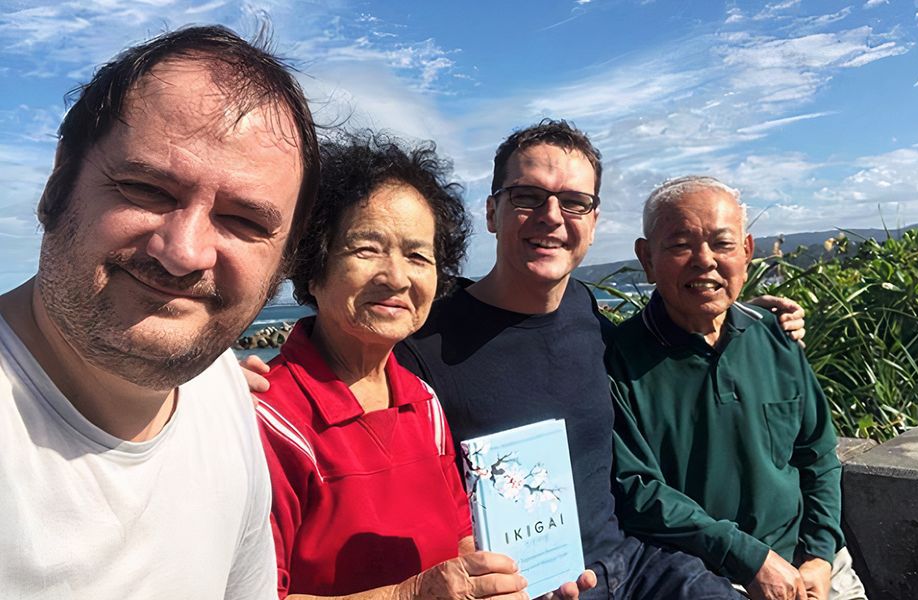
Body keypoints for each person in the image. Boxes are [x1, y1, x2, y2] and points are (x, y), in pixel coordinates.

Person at [394, 120, 806, 599]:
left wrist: (754, 318)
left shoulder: (585, 310)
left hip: (634, 566)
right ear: (492, 212)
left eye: (574, 202)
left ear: (592, 221)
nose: (552, 216)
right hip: (525, 588)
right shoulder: (422, 345)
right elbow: (406, 498)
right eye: (527, 196)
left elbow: (675, 348)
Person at [0, 25, 321, 598]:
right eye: (146, 189)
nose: (183, 253)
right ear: (58, 183)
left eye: (244, 222)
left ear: (284, 260)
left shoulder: (221, 388)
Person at [255, 134, 589, 600]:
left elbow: (459, 539)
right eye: (366, 248)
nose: (396, 277)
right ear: (313, 265)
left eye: (417, 255)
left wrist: (515, 577)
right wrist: (406, 596)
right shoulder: (266, 418)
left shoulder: (423, 400)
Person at [607, 176, 867, 600]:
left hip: (814, 567)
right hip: (703, 577)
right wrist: (750, 559)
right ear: (647, 258)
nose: (704, 260)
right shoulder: (618, 360)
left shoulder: (777, 338)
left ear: (746, 252)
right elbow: (637, 490)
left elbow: (817, 454)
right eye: (679, 244)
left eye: (722, 244)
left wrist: (819, 555)